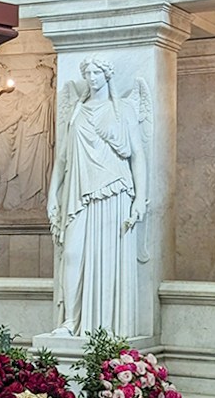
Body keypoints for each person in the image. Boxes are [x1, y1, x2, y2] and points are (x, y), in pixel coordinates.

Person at [48, 58, 147, 338]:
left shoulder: (123, 109)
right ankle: (69, 321)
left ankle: (105, 324)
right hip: (79, 192)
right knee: (72, 253)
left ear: (107, 75)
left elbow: (138, 155)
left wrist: (141, 198)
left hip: (114, 190)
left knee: (107, 258)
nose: (91, 77)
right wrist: (52, 195)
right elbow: (62, 157)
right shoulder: (78, 110)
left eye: (96, 72)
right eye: (87, 73)